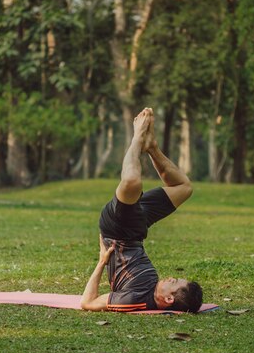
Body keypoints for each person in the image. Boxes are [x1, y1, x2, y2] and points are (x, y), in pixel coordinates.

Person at [80, 107, 203, 313]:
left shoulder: (134, 299)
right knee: (184, 188)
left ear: (168, 299)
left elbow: (88, 303)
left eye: (175, 283)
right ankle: (152, 148)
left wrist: (102, 262)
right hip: (137, 229)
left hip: (117, 230)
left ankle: (137, 138)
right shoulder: (155, 289)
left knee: (131, 182)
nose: (172, 277)